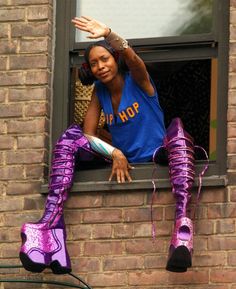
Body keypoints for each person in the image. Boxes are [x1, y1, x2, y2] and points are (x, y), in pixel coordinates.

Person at [19, 16, 201, 275]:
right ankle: (50, 228)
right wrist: (114, 151)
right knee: (71, 136)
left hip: (157, 157)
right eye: (94, 63)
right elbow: (88, 134)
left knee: (178, 128)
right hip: (124, 161)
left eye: (104, 59)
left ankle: (182, 229)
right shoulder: (99, 93)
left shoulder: (137, 80)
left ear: (115, 59)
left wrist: (109, 33)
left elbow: (135, 61)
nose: (100, 66)